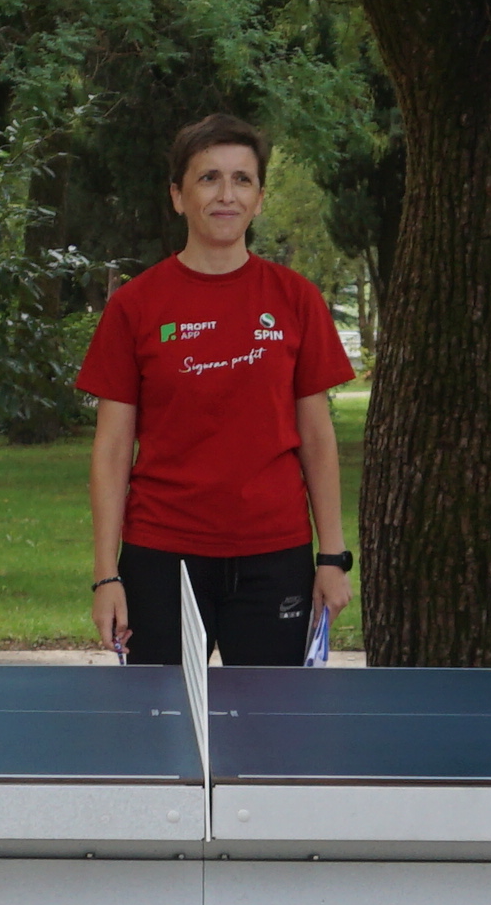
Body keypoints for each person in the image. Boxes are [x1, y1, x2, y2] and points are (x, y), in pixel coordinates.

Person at [83, 112, 355, 669]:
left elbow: (317, 438)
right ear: (178, 196)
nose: (225, 194)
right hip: (160, 557)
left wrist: (332, 556)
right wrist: (105, 575)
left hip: (274, 557)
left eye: (242, 179)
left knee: (267, 742)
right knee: (164, 739)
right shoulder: (134, 306)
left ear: (258, 198)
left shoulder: (296, 298)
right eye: (208, 178)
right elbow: (111, 451)